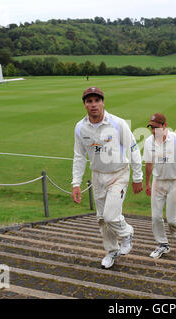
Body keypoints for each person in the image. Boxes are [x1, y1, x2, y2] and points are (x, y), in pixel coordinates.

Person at [71, 86, 143, 269]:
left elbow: (133, 148)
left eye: (97, 100)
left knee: (111, 216)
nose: (93, 105)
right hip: (97, 176)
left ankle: (127, 233)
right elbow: (79, 156)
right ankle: (112, 250)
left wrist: (137, 177)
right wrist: (76, 183)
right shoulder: (80, 128)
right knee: (102, 219)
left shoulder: (118, 123)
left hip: (118, 174)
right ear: (85, 105)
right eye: (89, 101)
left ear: (103, 102)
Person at [143, 113, 176, 259]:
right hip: (158, 181)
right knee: (156, 217)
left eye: (156, 127)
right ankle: (162, 245)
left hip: (175, 182)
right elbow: (149, 163)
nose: (153, 131)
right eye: (151, 127)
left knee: (171, 219)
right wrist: (147, 183)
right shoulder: (148, 142)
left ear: (164, 126)